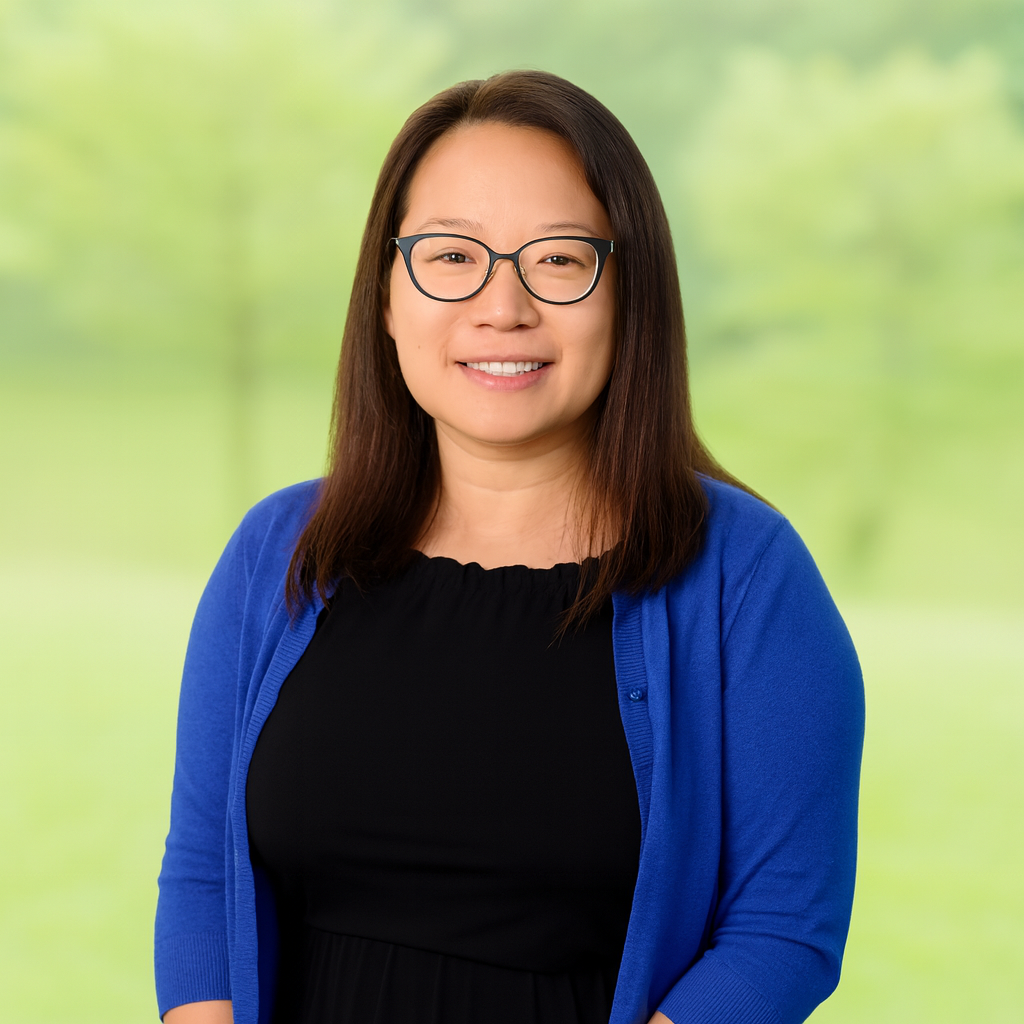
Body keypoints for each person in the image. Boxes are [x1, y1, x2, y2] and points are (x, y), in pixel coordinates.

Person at [155, 70, 864, 1024]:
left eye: (560, 260)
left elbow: (782, 932)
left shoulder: (746, 573)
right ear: (385, 296)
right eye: (450, 256)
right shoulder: (277, 553)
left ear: (630, 294)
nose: (502, 306)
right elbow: (203, 878)